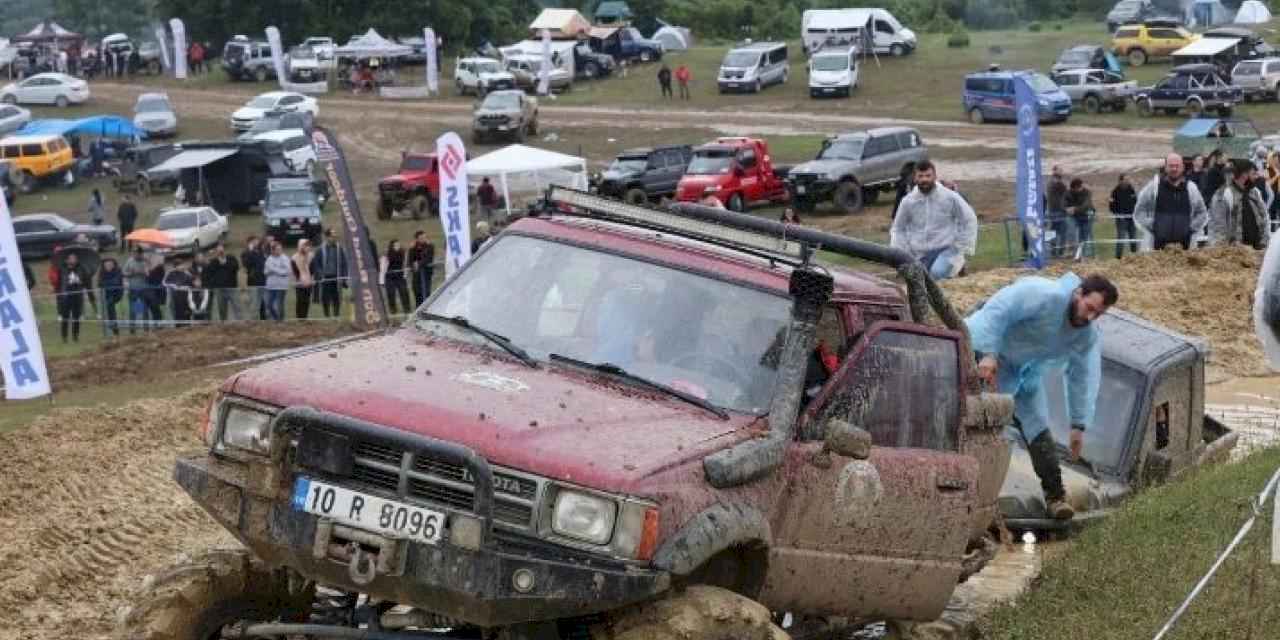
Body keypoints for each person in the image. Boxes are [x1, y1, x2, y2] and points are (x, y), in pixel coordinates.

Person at [966, 273, 1119, 521]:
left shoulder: (1085, 335)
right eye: (1089, 308)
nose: (1089, 317)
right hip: (980, 350)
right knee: (975, 419)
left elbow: (1082, 376)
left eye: (1097, 314)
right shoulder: (1044, 294)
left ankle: (1056, 497)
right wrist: (988, 352)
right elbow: (999, 309)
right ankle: (963, 488)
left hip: (1022, 371)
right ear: (1078, 293)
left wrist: (1078, 425)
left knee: (1038, 426)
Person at [889, 160, 978, 280]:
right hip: (919, 253)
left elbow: (969, 219)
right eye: (920, 176)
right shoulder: (907, 202)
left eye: (928, 176)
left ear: (935, 176)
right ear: (915, 178)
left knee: (936, 273)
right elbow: (898, 228)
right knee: (918, 280)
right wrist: (900, 253)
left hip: (947, 249)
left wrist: (960, 247)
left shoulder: (949, 197)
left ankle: (956, 266)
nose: (924, 179)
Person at [1134, 153, 1209, 251]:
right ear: (1165, 167)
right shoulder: (1154, 188)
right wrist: (1152, 225)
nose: (1174, 169)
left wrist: (1191, 228)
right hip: (1155, 252)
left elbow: (1202, 213)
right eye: (1171, 166)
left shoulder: (1191, 189)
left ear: (1182, 168)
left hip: (1186, 252)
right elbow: (1139, 211)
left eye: (1177, 166)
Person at [1209, 159, 1271, 250]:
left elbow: (1264, 217)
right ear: (1244, 174)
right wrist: (1222, 249)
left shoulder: (1255, 192)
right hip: (1236, 253)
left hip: (1258, 249)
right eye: (1253, 173)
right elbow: (1218, 226)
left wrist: (1264, 242)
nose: (1256, 177)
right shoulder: (1224, 194)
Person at [311, 229, 348, 318]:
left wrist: (344, 276)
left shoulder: (340, 249)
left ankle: (336, 315)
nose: (334, 238)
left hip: (336, 277)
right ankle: (327, 315)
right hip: (325, 278)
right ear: (327, 237)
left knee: (337, 297)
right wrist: (320, 275)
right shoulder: (320, 250)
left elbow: (344, 263)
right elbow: (316, 264)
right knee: (325, 298)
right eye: (332, 236)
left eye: (335, 236)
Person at [57, 253, 91, 343]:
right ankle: (64, 336)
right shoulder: (62, 269)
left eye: (74, 258)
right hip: (65, 296)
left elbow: (86, 280)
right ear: (67, 260)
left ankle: (75, 336)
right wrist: (60, 294)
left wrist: (79, 281)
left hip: (77, 295)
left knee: (76, 317)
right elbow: (59, 282)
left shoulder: (80, 268)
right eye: (71, 258)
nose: (72, 260)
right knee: (65, 317)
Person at [203, 243, 241, 322]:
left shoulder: (231, 258)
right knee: (222, 308)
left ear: (224, 250)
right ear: (216, 251)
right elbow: (210, 273)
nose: (220, 252)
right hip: (220, 289)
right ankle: (223, 323)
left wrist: (225, 263)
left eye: (221, 250)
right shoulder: (213, 261)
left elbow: (236, 267)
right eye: (218, 250)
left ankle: (240, 321)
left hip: (232, 288)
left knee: (237, 306)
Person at [1064, 178, 1095, 259]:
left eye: (1082, 186)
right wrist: (1066, 209)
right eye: (1080, 186)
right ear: (1074, 188)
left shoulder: (1087, 192)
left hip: (1087, 216)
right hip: (1075, 217)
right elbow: (1064, 204)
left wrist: (1074, 209)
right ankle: (1075, 254)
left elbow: (1086, 205)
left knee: (1085, 236)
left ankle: (1086, 255)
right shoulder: (1068, 193)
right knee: (1072, 233)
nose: (1082, 187)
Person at [1109, 174, 1138, 258]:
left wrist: (1135, 213)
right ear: (1120, 181)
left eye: (1129, 179)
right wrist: (1118, 214)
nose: (1128, 181)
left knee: (1133, 238)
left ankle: (1135, 257)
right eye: (1126, 179)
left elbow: (1136, 202)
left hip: (1132, 218)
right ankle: (1118, 258)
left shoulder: (1131, 189)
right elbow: (1111, 206)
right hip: (1121, 219)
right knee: (1121, 239)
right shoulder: (1115, 192)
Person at [122, 246, 150, 333]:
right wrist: (131, 273)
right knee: (132, 310)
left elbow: (149, 273)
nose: (135, 254)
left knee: (145, 309)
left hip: (144, 288)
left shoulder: (145, 261)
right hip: (133, 288)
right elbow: (124, 272)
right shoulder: (129, 261)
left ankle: (146, 329)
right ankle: (132, 329)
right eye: (133, 253)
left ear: (141, 253)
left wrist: (144, 272)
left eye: (137, 253)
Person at [263, 242, 291, 321]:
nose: (280, 251)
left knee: (280, 304)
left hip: (282, 286)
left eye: (280, 249)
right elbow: (265, 272)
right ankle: (276, 318)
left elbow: (287, 271)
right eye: (278, 249)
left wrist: (273, 269)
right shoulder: (269, 259)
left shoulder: (285, 258)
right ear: (273, 250)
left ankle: (281, 320)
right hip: (271, 286)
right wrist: (278, 270)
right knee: (269, 304)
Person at [382, 239, 411, 314]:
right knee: (391, 294)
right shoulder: (387, 254)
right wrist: (381, 280)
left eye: (398, 245)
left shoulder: (403, 253)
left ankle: (407, 309)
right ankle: (393, 310)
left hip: (400, 276)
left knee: (404, 292)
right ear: (392, 246)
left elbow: (405, 264)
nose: (398, 246)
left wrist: (405, 274)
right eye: (396, 245)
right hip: (390, 277)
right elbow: (383, 267)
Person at [241, 236, 268, 319]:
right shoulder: (245, 253)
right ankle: (253, 319)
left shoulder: (260, 252)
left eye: (257, 241)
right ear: (250, 243)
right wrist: (250, 251)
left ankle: (263, 319)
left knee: (263, 302)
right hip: (253, 281)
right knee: (254, 302)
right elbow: (246, 264)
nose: (257, 243)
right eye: (254, 241)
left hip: (263, 280)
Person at [1046, 165, 1069, 258]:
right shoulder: (1056, 183)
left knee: (1053, 231)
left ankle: (1053, 251)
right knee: (1062, 231)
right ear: (1055, 171)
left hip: (1052, 210)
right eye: (1060, 170)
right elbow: (1065, 190)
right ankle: (1059, 252)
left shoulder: (1050, 182)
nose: (1062, 172)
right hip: (1058, 211)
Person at [98, 257, 123, 337]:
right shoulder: (102, 272)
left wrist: (107, 284)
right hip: (106, 294)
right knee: (109, 309)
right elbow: (100, 283)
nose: (108, 266)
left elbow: (117, 282)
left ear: (113, 265)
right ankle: (114, 329)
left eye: (110, 264)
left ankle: (115, 329)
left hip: (117, 294)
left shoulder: (118, 271)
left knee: (110, 306)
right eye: (106, 265)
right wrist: (110, 284)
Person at [164, 260, 194, 326]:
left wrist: (187, 287)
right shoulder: (171, 273)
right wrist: (173, 285)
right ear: (176, 266)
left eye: (182, 265)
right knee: (177, 313)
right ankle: (178, 326)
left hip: (186, 297)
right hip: (175, 297)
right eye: (180, 265)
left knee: (187, 313)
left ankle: (188, 326)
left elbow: (192, 283)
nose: (182, 266)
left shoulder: (187, 273)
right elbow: (164, 282)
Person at [409, 231, 435, 307]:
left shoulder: (430, 246)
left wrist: (419, 264)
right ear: (417, 239)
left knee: (426, 292)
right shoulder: (413, 248)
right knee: (417, 292)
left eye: (425, 237)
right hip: (416, 274)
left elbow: (428, 259)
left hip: (426, 273)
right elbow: (410, 261)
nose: (424, 239)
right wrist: (412, 249)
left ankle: (427, 308)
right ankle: (419, 309)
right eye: (421, 238)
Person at [291, 239, 315, 319]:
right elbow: (294, 271)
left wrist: (311, 278)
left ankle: (305, 317)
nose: (307, 247)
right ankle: (299, 318)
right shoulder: (294, 257)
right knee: (300, 300)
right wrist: (299, 280)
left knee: (306, 301)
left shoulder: (311, 256)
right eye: (305, 246)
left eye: (308, 246)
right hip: (299, 283)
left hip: (309, 282)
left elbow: (313, 269)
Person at [144, 255, 167, 328]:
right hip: (150, 292)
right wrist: (148, 271)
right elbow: (148, 280)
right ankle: (156, 325)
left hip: (158, 291)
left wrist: (148, 272)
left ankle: (160, 324)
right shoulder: (148, 268)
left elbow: (156, 278)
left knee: (156, 308)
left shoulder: (160, 268)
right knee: (153, 308)